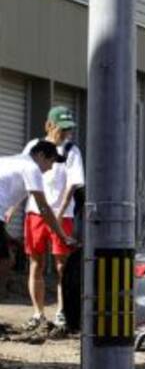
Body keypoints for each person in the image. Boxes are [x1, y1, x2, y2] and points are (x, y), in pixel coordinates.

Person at [19, 107, 84, 333]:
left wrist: (60, 211)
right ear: (49, 125)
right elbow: (23, 176)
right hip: (35, 213)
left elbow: (73, 184)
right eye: (61, 129)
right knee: (36, 263)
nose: (65, 133)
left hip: (62, 215)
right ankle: (38, 314)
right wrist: (13, 207)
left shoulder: (71, 151)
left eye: (68, 129)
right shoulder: (33, 146)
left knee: (62, 266)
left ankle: (62, 312)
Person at [0, 142, 76, 308]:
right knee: (4, 262)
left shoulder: (12, 161)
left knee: (5, 259)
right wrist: (63, 236)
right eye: (51, 161)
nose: (50, 168)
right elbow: (44, 208)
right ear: (40, 155)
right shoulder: (31, 168)